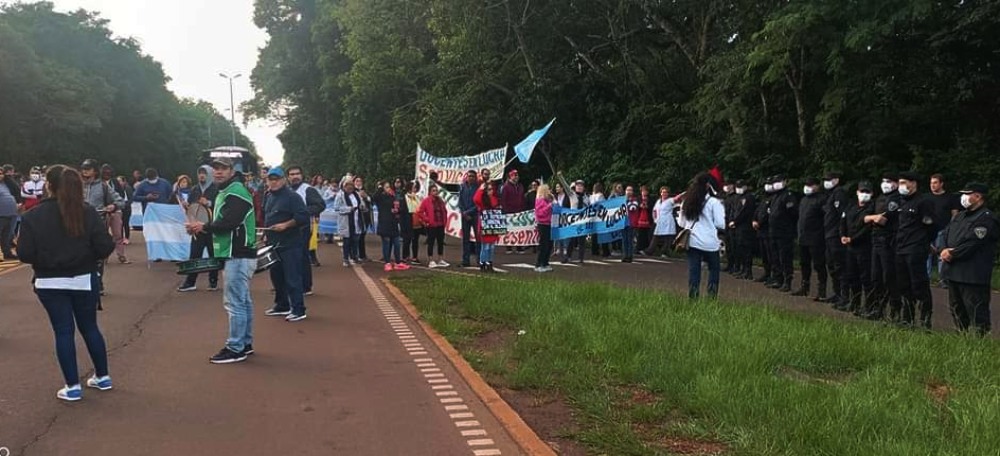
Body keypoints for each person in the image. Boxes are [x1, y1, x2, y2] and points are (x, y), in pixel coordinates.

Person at [19, 165, 115, 401]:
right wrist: (87, 257)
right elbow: (105, 246)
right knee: (90, 327)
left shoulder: (32, 216)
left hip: (49, 281)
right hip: (83, 278)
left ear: (49, 186)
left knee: (63, 331)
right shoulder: (88, 212)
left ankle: (72, 386)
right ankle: (103, 376)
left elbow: (25, 253)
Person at [185, 157, 258, 363]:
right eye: (215, 168)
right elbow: (224, 222)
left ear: (232, 171)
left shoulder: (236, 191)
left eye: (223, 168)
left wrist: (203, 226)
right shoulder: (227, 191)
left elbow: (229, 222)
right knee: (242, 301)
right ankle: (244, 343)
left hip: (238, 253)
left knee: (235, 303)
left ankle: (236, 348)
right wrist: (202, 227)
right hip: (237, 253)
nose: (218, 172)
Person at [940, 183, 999, 335]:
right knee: (956, 309)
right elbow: (946, 233)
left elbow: (973, 242)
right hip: (954, 271)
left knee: (976, 311)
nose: (963, 197)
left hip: (973, 274)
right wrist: (943, 249)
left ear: (978, 196)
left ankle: (979, 340)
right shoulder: (960, 216)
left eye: (967, 194)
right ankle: (961, 336)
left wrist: (953, 253)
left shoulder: (986, 218)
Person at [261, 168, 309, 322]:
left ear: (283, 180)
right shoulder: (268, 196)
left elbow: (303, 216)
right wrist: (265, 233)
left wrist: (286, 225)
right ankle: (282, 305)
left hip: (290, 243)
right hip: (274, 244)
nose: (273, 182)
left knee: (292, 278)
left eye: (277, 179)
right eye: (271, 179)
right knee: (277, 277)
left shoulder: (292, 197)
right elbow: (268, 216)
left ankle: (298, 309)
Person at [894, 171, 937, 328]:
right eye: (899, 183)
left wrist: (924, 242)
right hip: (901, 247)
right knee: (904, 285)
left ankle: (925, 321)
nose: (900, 186)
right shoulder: (902, 202)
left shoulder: (923, 202)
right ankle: (907, 319)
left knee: (919, 285)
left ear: (913, 183)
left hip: (915, 248)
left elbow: (931, 227)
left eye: (903, 183)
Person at [678, 173, 726, 299]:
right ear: (708, 186)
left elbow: (681, 223)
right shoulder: (714, 202)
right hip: (710, 243)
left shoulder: (686, 201)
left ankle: (693, 297)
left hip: (693, 241)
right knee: (714, 269)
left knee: (694, 270)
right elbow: (720, 224)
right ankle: (711, 297)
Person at [80, 159, 122, 297]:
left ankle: (98, 283)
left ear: (95, 171)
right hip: (78, 225)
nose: (85, 171)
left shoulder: (103, 187)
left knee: (97, 255)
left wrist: (113, 206)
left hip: (98, 224)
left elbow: (120, 201)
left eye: (88, 168)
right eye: (83, 168)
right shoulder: (76, 185)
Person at [863, 173, 902, 321]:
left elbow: (884, 218)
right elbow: (866, 217)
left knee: (889, 277)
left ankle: (895, 310)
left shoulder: (897, 198)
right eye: (883, 181)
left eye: (889, 181)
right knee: (876, 277)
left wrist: (874, 218)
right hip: (876, 240)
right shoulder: (880, 198)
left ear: (896, 183)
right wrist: (874, 218)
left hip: (888, 242)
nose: (885, 184)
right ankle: (878, 309)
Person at [178, 166, 220, 292]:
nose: (201, 175)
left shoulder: (217, 189)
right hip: (197, 228)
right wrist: (186, 207)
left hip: (212, 228)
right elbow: (192, 209)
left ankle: (213, 282)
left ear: (210, 174)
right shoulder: (194, 189)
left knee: (213, 256)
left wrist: (209, 203)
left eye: (204, 173)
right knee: (194, 256)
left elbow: (221, 206)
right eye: (200, 173)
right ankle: (190, 282)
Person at [839, 181, 875, 315]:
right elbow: (842, 222)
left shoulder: (872, 208)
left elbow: (867, 228)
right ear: (857, 192)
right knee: (852, 276)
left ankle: (869, 306)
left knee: (866, 278)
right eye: (862, 191)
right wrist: (843, 236)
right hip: (850, 248)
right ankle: (854, 302)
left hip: (864, 248)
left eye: (867, 192)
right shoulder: (851, 207)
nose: (864, 194)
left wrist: (852, 239)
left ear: (871, 193)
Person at [287, 165, 325, 295]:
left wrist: (302, 212)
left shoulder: (308, 189)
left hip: (302, 228)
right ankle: (289, 285)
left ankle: (305, 286)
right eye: (292, 174)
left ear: (302, 175)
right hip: (287, 228)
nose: (295, 176)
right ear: (288, 177)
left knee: (302, 257)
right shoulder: (286, 190)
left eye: (297, 174)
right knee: (288, 257)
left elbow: (320, 205)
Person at [793, 177, 827, 299]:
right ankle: (804, 286)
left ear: (817, 186)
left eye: (811, 185)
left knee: (819, 264)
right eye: (806, 185)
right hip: (803, 237)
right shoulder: (803, 200)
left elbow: (826, 217)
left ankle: (822, 290)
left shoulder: (822, 199)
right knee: (804, 263)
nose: (808, 187)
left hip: (816, 237)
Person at [927, 174, 961, 287]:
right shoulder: (926, 197)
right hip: (928, 229)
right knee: (927, 254)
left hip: (943, 230)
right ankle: (926, 278)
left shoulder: (950, 198)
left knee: (942, 255)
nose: (932, 185)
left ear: (941, 184)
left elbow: (955, 214)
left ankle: (943, 280)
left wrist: (950, 228)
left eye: (935, 182)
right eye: (931, 183)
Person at [822, 171, 849, 305]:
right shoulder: (830, 195)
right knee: (831, 265)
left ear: (837, 180)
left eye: (829, 179)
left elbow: (842, 216)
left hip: (836, 235)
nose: (826, 182)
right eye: (825, 180)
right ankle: (837, 292)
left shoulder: (839, 194)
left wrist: (841, 233)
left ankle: (844, 295)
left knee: (840, 266)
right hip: (828, 234)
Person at [767, 175, 798, 292]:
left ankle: (787, 281)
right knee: (775, 257)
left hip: (784, 232)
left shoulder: (788, 196)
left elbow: (793, 213)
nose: (776, 184)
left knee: (785, 257)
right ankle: (778, 279)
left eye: (779, 181)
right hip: (773, 232)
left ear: (785, 182)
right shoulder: (775, 196)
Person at [374, 181, 411, 271]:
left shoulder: (393, 197)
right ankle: (387, 262)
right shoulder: (380, 198)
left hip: (393, 223)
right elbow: (375, 197)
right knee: (386, 244)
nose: (388, 189)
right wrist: (380, 187)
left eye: (389, 187)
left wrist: (397, 210)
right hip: (384, 224)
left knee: (397, 243)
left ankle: (398, 262)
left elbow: (400, 207)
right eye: (386, 187)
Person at [101, 164, 129, 264]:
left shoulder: (115, 182)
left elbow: (121, 195)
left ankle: (121, 255)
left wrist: (115, 205)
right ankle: (103, 256)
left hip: (116, 211)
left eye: (109, 172)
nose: (107, 174)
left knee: (118, 234)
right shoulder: (97, 184)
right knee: (103, 234)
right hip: (103, 211)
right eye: (105, 172)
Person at [334, 177, 364, 266]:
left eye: (351, 185)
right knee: (347, 241)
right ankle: (345, 259)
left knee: (355, 240)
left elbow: (361, 203)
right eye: (347, 185)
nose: (350, 187)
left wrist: (362, 206)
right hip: (346, 221)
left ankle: (355, 257)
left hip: (356, 220)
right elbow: (336, 207)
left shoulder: (356, 194)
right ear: (344, 186)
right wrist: (348, 209)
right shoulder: (340, 195)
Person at [730, 180, 757, 279]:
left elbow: (744, 212)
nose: (738, 189)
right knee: (740, 249)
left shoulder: (749, 197)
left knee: (747, 249)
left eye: (740, 186)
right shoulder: (737, 197)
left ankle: (748, 271)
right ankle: (743, 269)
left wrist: (735, 221)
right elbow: (733, 210)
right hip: (738, 227)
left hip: (746, 227)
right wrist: (732, 220)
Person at [419, 184, 449, 268]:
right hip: (432, 225)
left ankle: (440, 259)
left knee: (440, 242)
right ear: (430, 192)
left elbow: (444, 210)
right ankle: (430, 260)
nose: (435, 192)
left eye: (436, 190)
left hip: (440, 224)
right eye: (433, 191)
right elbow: (420, 212)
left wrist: (444, 221)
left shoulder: (440, 200)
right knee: (431, 242)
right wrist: (427, 219)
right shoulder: (426, 201)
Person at [753, 177, 775, 284]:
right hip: (760, 231)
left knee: (771, 254)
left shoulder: (774, 198)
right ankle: (766, 273)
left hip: (768, 230)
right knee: (764, 254)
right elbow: (758, 211)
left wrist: (760, 222)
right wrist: (754, 220)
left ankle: (774, 275)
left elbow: (769, 214)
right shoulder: (764, 198)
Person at [475, 181, 501, 272]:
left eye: (492, 189)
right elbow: (476, 199)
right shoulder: (482, 200)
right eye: (489, 189)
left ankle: (489, 263)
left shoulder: (494, 199)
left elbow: (497, 210)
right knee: (485, 246)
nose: (491, 191)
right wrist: (480, 189)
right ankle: (483, 264)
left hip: (493, 224)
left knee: (492, 246)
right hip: (485, 225)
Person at [646, 186, 676, 257]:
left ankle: (665, 252)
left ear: (668, 193)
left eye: (666, 192)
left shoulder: (670, 200)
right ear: (661, 193)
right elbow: (654, 210)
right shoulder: (658, 201)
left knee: (668, 236)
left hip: (668, 221)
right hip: (659, 221)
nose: (664, 194)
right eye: (663, 192)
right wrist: (655, 219)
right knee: (656, 236)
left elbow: (677, 198)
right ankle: (650, 251)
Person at [0, 165, 22, 261]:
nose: (0, 175)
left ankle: (7, 253)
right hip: (1, 214)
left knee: (6, 235)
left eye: (2, 173)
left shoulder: (6, 184)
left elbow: (16, 190)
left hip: (10, 213)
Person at [501, 170, 525, 254]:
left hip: (519, 211)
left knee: (519, 229)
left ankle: (519, 247)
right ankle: (509, 247)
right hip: (509, 211)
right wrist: (505, 211)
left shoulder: (520, 186)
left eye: (517, 175)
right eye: (514, 175)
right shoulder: (506, 187)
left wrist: (523, 209)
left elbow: (522, 198)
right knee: (509, 230)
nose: (516, 176)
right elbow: (503, 200)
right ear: (510, 177)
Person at [458, 170, 480, 267]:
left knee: (478, 239)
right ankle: (465, 260)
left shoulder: (478, 188)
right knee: (465, 239)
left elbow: (478, 203)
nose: (470, 178)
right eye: (469, 176)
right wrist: (464, 212)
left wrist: (468, 212)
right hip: (465, 216)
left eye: (472, 176)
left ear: (475, 178)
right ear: (466, 177)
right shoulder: (462, 187)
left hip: (475, 215)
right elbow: (460, 201)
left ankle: (479, 260)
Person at [534, 184, 554, 272]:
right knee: (543, 245)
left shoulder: (547, 200)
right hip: (542, 224)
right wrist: (549, 206)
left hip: (548, 223)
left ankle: (545, 262)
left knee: (549, 244)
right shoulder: (539, 200)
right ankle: (538, 264)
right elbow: (540, 213)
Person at [404, 180, 424, 263]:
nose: (415, 189)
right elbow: (408, 208)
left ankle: (415, 257)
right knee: (407, 239)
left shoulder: (418, 197)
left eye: (416, 187)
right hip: (408, 219)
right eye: (413, 187)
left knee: (415, 239)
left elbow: (420, 207)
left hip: (416, 219)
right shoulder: (405, 197)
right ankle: (406, 256)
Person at [353, 176, 372, 262]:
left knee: (362, 236)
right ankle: (355, 255)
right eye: (357, 181)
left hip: (365, 216)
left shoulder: (364, 191)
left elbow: (371, 201)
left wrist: (366, 196)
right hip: (357, 216)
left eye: (360, 181)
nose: (358, 183)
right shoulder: (352, 192)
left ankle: (362, 255)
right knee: (357, 236)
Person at [590, 183, 611, 258]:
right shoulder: (600, 196)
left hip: (593, 217)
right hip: (600, 217)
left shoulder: (591, 196)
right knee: (603, 234)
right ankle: (605, 251)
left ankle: (595, 251)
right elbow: (603, 205)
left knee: (594, 235)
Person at [722, 182, 739, 273]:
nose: (726, 187)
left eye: (728, 185)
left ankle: (736, 266)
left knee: (734, 246)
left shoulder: (736, 197)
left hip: (733, 224)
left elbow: (735, 210)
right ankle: (730, 264)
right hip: (726, 223)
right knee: (728, 246)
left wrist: (734, 221)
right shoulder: (726, 198)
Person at [114, 175, 135, 241]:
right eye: (117, 181)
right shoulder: (116, 189)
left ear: (124, 181)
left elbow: (131, 199)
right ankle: (120, 238)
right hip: (119, 208)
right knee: (119, 224)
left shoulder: (128, 188)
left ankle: (126, 238)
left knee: (125, 223)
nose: (118, 182)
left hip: (126, 209)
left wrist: (125, 205)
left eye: (120, 181)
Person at [622, 185, 639, 263]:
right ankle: (625, 255)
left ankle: (629, 256)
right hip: (623, 223)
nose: (629, 192)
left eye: (630, 190)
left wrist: (627, 201)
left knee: (629, 240)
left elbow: (633, 207)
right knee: (624, 240)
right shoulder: (622, 199)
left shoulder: (634, 200)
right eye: (627, 190)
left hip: (631, 223)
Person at [635, 186, 654, 257]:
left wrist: (647, 207)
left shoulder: (651, 199)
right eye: (643, 191)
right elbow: (635, 207)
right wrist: (640, 207)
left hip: (648, 219)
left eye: (645, 191)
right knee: (640, 234)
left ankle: (646, 249)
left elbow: (653, 208)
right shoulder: (638, 199)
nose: (644, 192)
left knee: (647, 235)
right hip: (640, 219)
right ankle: (638, 249)